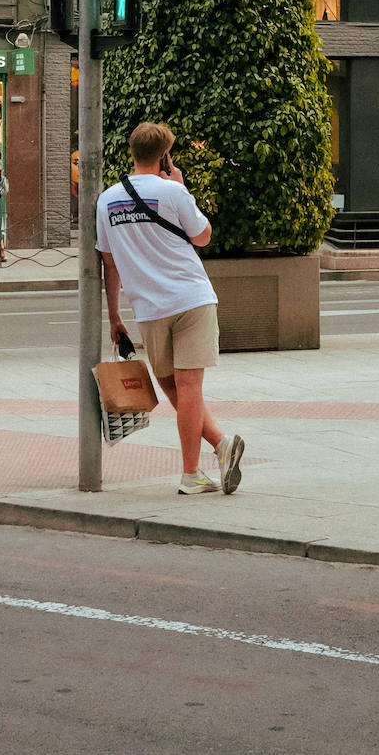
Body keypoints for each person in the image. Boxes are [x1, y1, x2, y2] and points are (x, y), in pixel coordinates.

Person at [96, 122, 245, 496]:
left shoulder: (107, 200)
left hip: (147, 307)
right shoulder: (173, 191)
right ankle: (212, 454)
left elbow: (108, 262)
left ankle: (198, 466)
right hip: (191, 297)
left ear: (132, 151)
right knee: (186, 387)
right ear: (165, 155)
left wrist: (114, 316)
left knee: (176, 387)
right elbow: (204, 236)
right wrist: (181, 187)